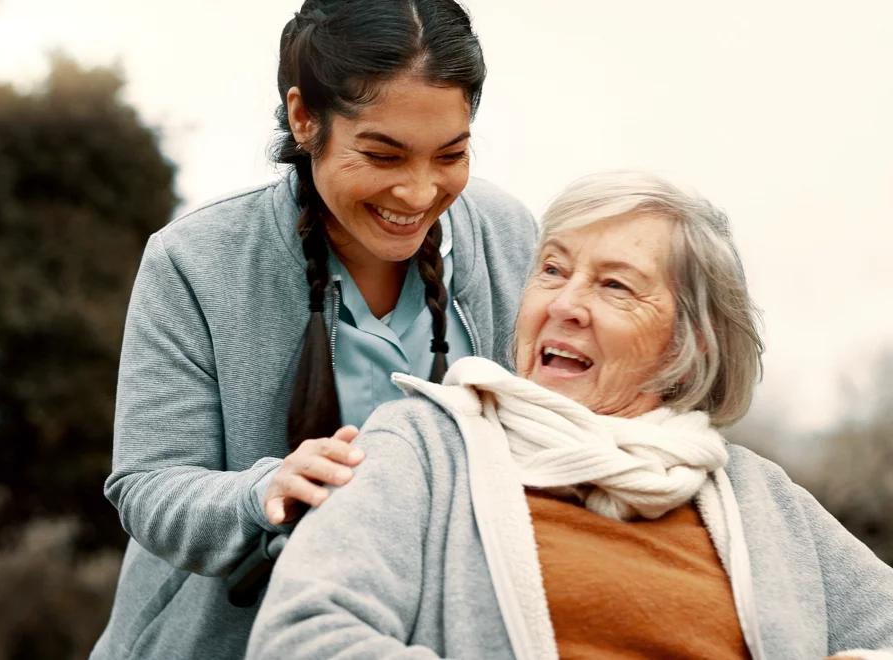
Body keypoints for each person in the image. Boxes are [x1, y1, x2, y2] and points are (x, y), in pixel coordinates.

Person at [247, 171, 893, 659]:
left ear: (691, 342)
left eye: (614, 285)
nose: (566, 304)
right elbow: (302, 636)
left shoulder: (758, 498)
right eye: (552, 270)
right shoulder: (423, 449)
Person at [89, 1, 538, 657]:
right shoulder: (193, 262)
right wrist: (263, 492)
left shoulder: (508, 237)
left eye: (451, 154)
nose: (418, 193)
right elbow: (147, 487)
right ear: (305, 118)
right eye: (383, 156)